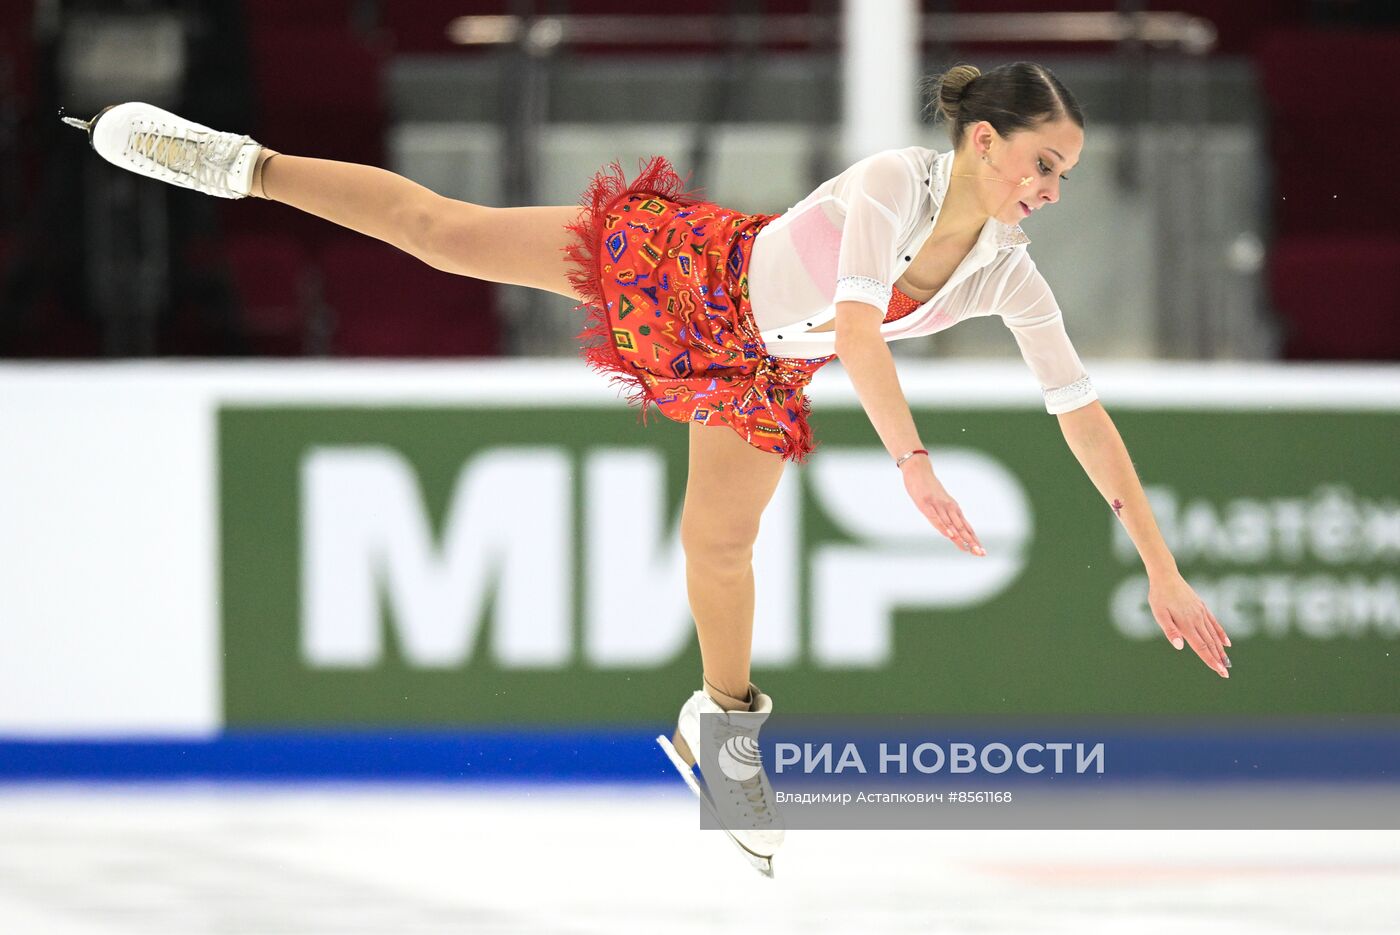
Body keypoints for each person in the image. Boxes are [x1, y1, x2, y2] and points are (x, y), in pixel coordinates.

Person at [64, 61, 1232, 876]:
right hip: (694, 276)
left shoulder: (1007, 274)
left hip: (758, 366)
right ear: (983, 140)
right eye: (1042, 161)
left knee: (718, 547)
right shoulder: (890, 182)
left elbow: (1079, 409)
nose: (1050, 189)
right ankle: (242, 165)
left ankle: (722, 729)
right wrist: (912, 461)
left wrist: (1160, 565)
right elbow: (861, 324)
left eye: (1065, 174)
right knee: (446, 234)